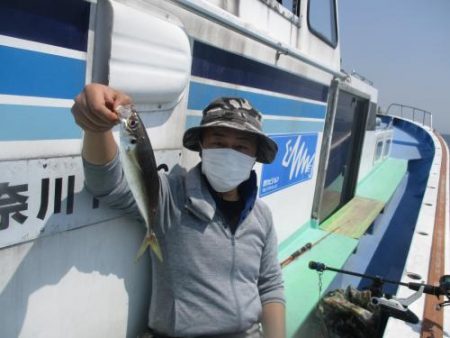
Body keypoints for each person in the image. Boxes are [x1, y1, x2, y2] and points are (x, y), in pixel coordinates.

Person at [71, 83, 285, 338]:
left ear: (254, 156)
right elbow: (108, 184)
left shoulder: (261, 216)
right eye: (218, 142)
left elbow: (270, 285)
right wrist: (96, 127)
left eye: (241, 147)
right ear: (202, 147)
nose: (229, 152)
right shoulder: (172, 195)